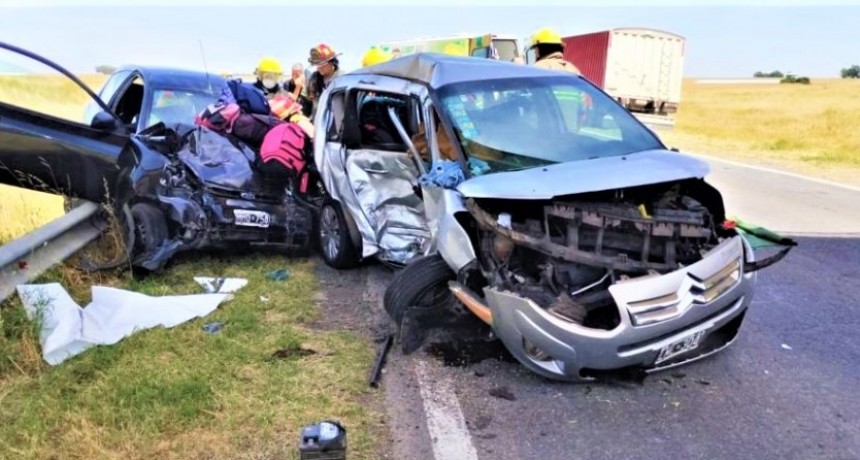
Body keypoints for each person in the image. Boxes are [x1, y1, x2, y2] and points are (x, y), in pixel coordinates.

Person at [306, 43, 342, 117]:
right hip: (317, 122)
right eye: (317, 65)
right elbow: (309, 100)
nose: (319, 68)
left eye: (322, 65)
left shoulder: (342, 78)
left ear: (332, 62)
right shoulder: (314, 78)